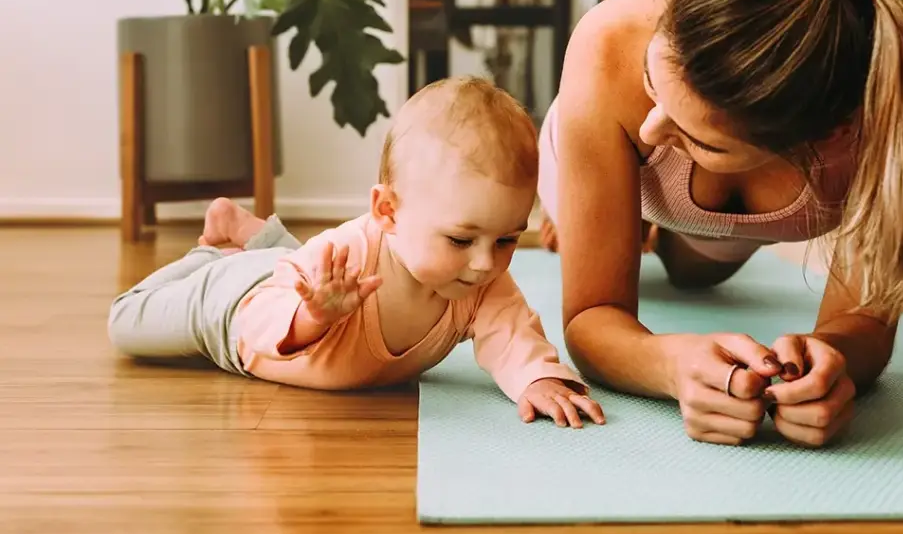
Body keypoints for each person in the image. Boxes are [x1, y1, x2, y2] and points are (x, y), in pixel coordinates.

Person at [538, 0, 903, 447]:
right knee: (613, 234)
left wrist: (830, 365)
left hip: (732, 217)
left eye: (702, 140)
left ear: (824, 140)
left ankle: (666, 237)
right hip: (590, 157)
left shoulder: (895, 129)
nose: (650, 128)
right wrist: (672, 365)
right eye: (651, 83)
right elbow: (594, 315)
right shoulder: (609, 46)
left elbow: (864, 322)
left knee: (695, 276)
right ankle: (626, 220)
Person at [108, 77, 605, 429]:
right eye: (460, 239)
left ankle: (254, 234)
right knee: (125, 324)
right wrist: (312, 318)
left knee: (310, 273)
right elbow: (262, 322)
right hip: (233, 307)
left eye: (507, 240)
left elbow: (512, 334)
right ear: (387, 210)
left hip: (305, 279)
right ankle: (213, 255)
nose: (485, 262)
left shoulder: (477, 279)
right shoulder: (348, 254)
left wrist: (538, 378)